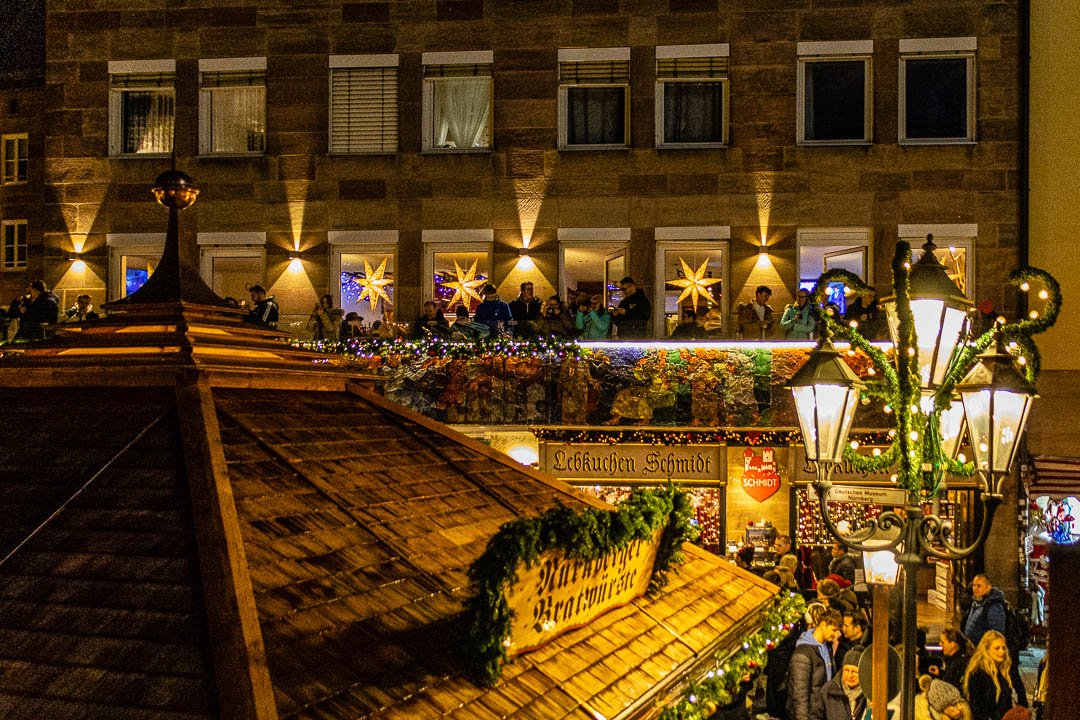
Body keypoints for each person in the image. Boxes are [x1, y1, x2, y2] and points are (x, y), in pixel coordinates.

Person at [962, 574, 1026, 706]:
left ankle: (1022, 702)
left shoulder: (994, 607)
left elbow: (997, 633)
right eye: (974, 585)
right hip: (979, 652)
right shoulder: (977, 603)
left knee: (1011, 676)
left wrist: (993, 649)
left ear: (988, 587)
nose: (975, 588)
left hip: (990, 653)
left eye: (979, 585)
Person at [787, 608, 843, 720]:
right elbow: (799, 695)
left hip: (823, 712)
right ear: (823, 625)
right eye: (833, 630)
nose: (835, 635)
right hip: (810, 715)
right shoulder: (802, 655)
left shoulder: (827, 647)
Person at [963, 630, 1014, 720]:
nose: (1002, 652)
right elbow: (977, 710)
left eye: (1003, 647)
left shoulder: (1002, 672)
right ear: (986, 650)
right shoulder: (978, 674)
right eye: (997, 648)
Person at [811, 644, 866, 720]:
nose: (849, 675)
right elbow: (815, 716)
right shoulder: (829, 690)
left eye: (854, 672)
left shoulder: (868, 695)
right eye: (846, 670)